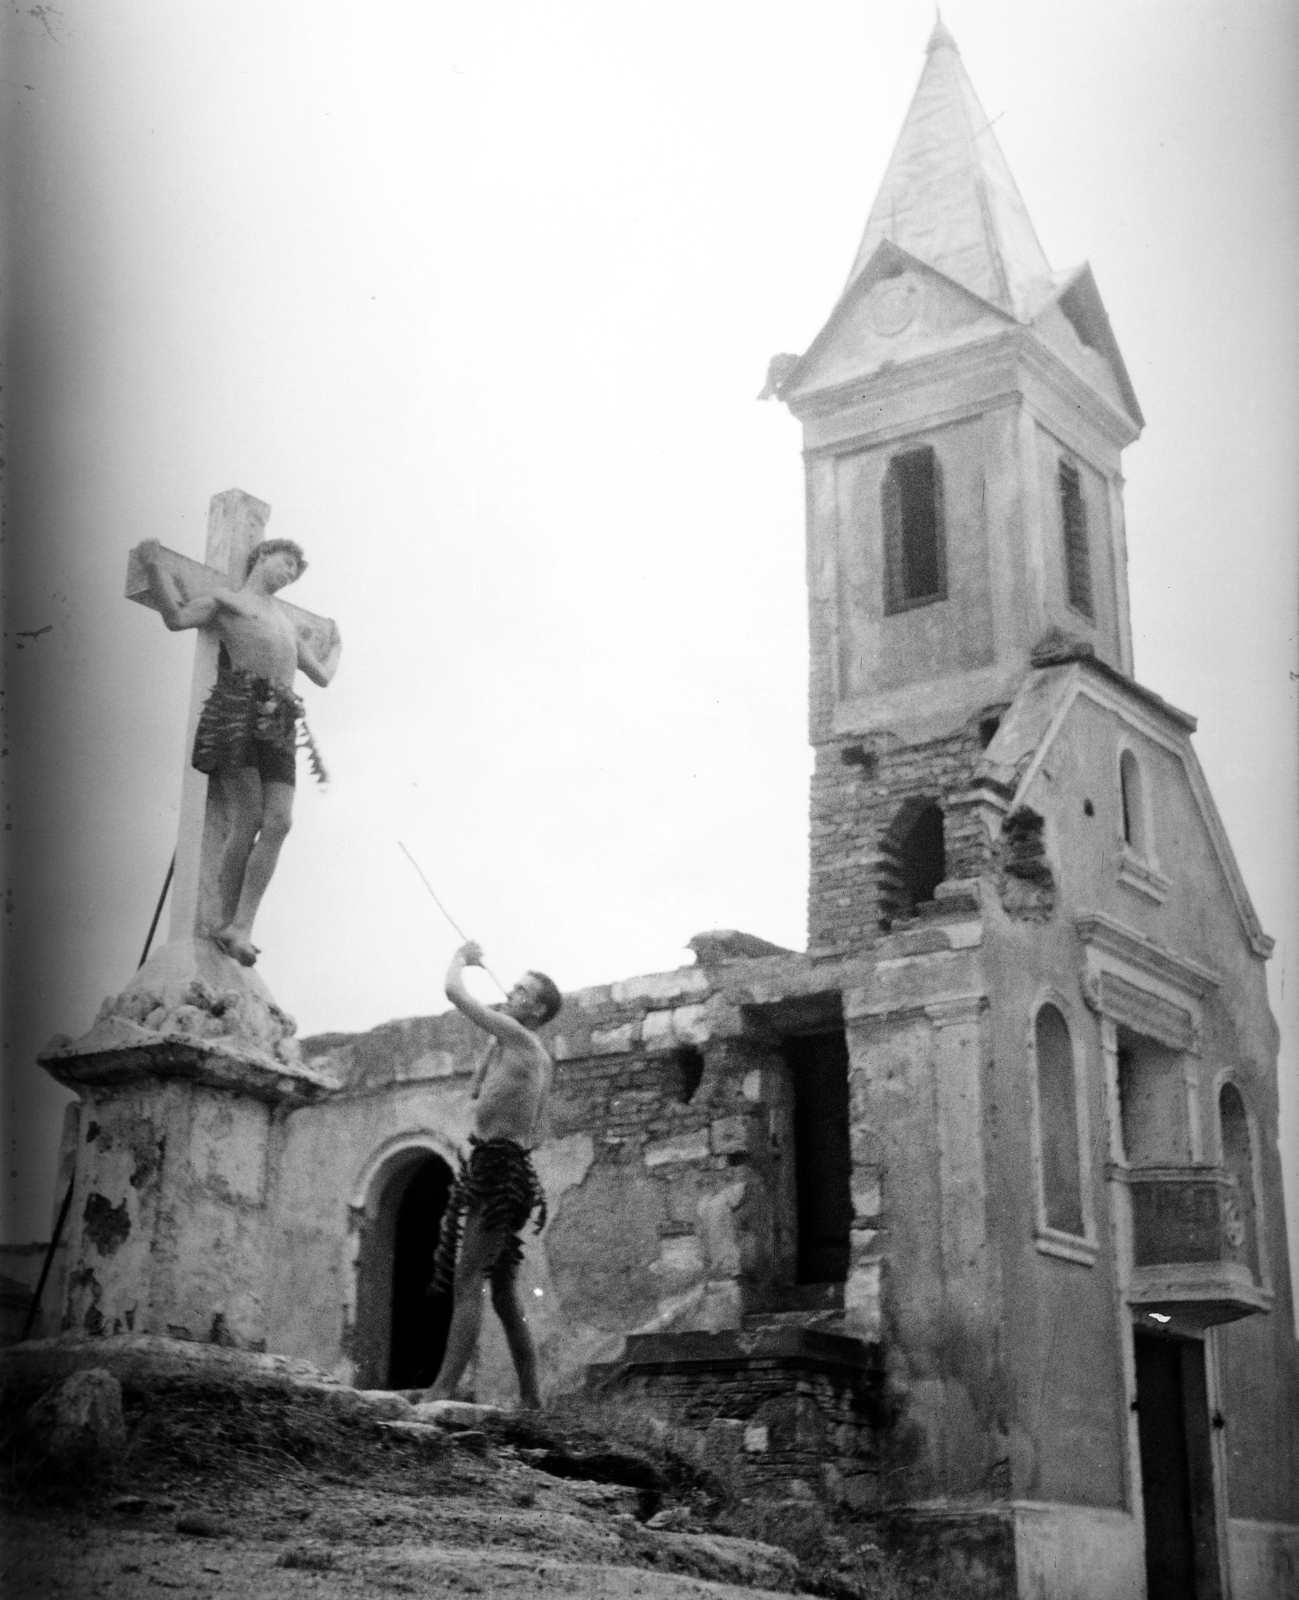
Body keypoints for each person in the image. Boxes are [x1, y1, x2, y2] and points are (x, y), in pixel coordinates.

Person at [137, 536, 339, 966]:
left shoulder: (285, 621)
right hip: (238, 711)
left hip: (280, 720)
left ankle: (243, 924)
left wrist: (337, 645)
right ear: (263, 556)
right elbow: (175, 618)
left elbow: (321, 676)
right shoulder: (227, 601)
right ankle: (226, 920)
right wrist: (154, 565)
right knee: (247, 816)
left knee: (280, 821)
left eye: (294, 573)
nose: (288, 576)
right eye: (285, 564)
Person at [428, 940, 562, 1410]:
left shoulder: (522, 1040)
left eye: (524, 993)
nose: (513, 994)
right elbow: (477, 1093)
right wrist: (495, 1039)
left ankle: (442, 1389)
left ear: (539, 1009)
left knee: (467, 1282)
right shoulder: (530, 1052)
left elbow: (452, 991)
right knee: (503, 1294)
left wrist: (461, 958)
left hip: (497, 1170)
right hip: (514, 1172)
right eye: (516, 988)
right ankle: (531, 1399)